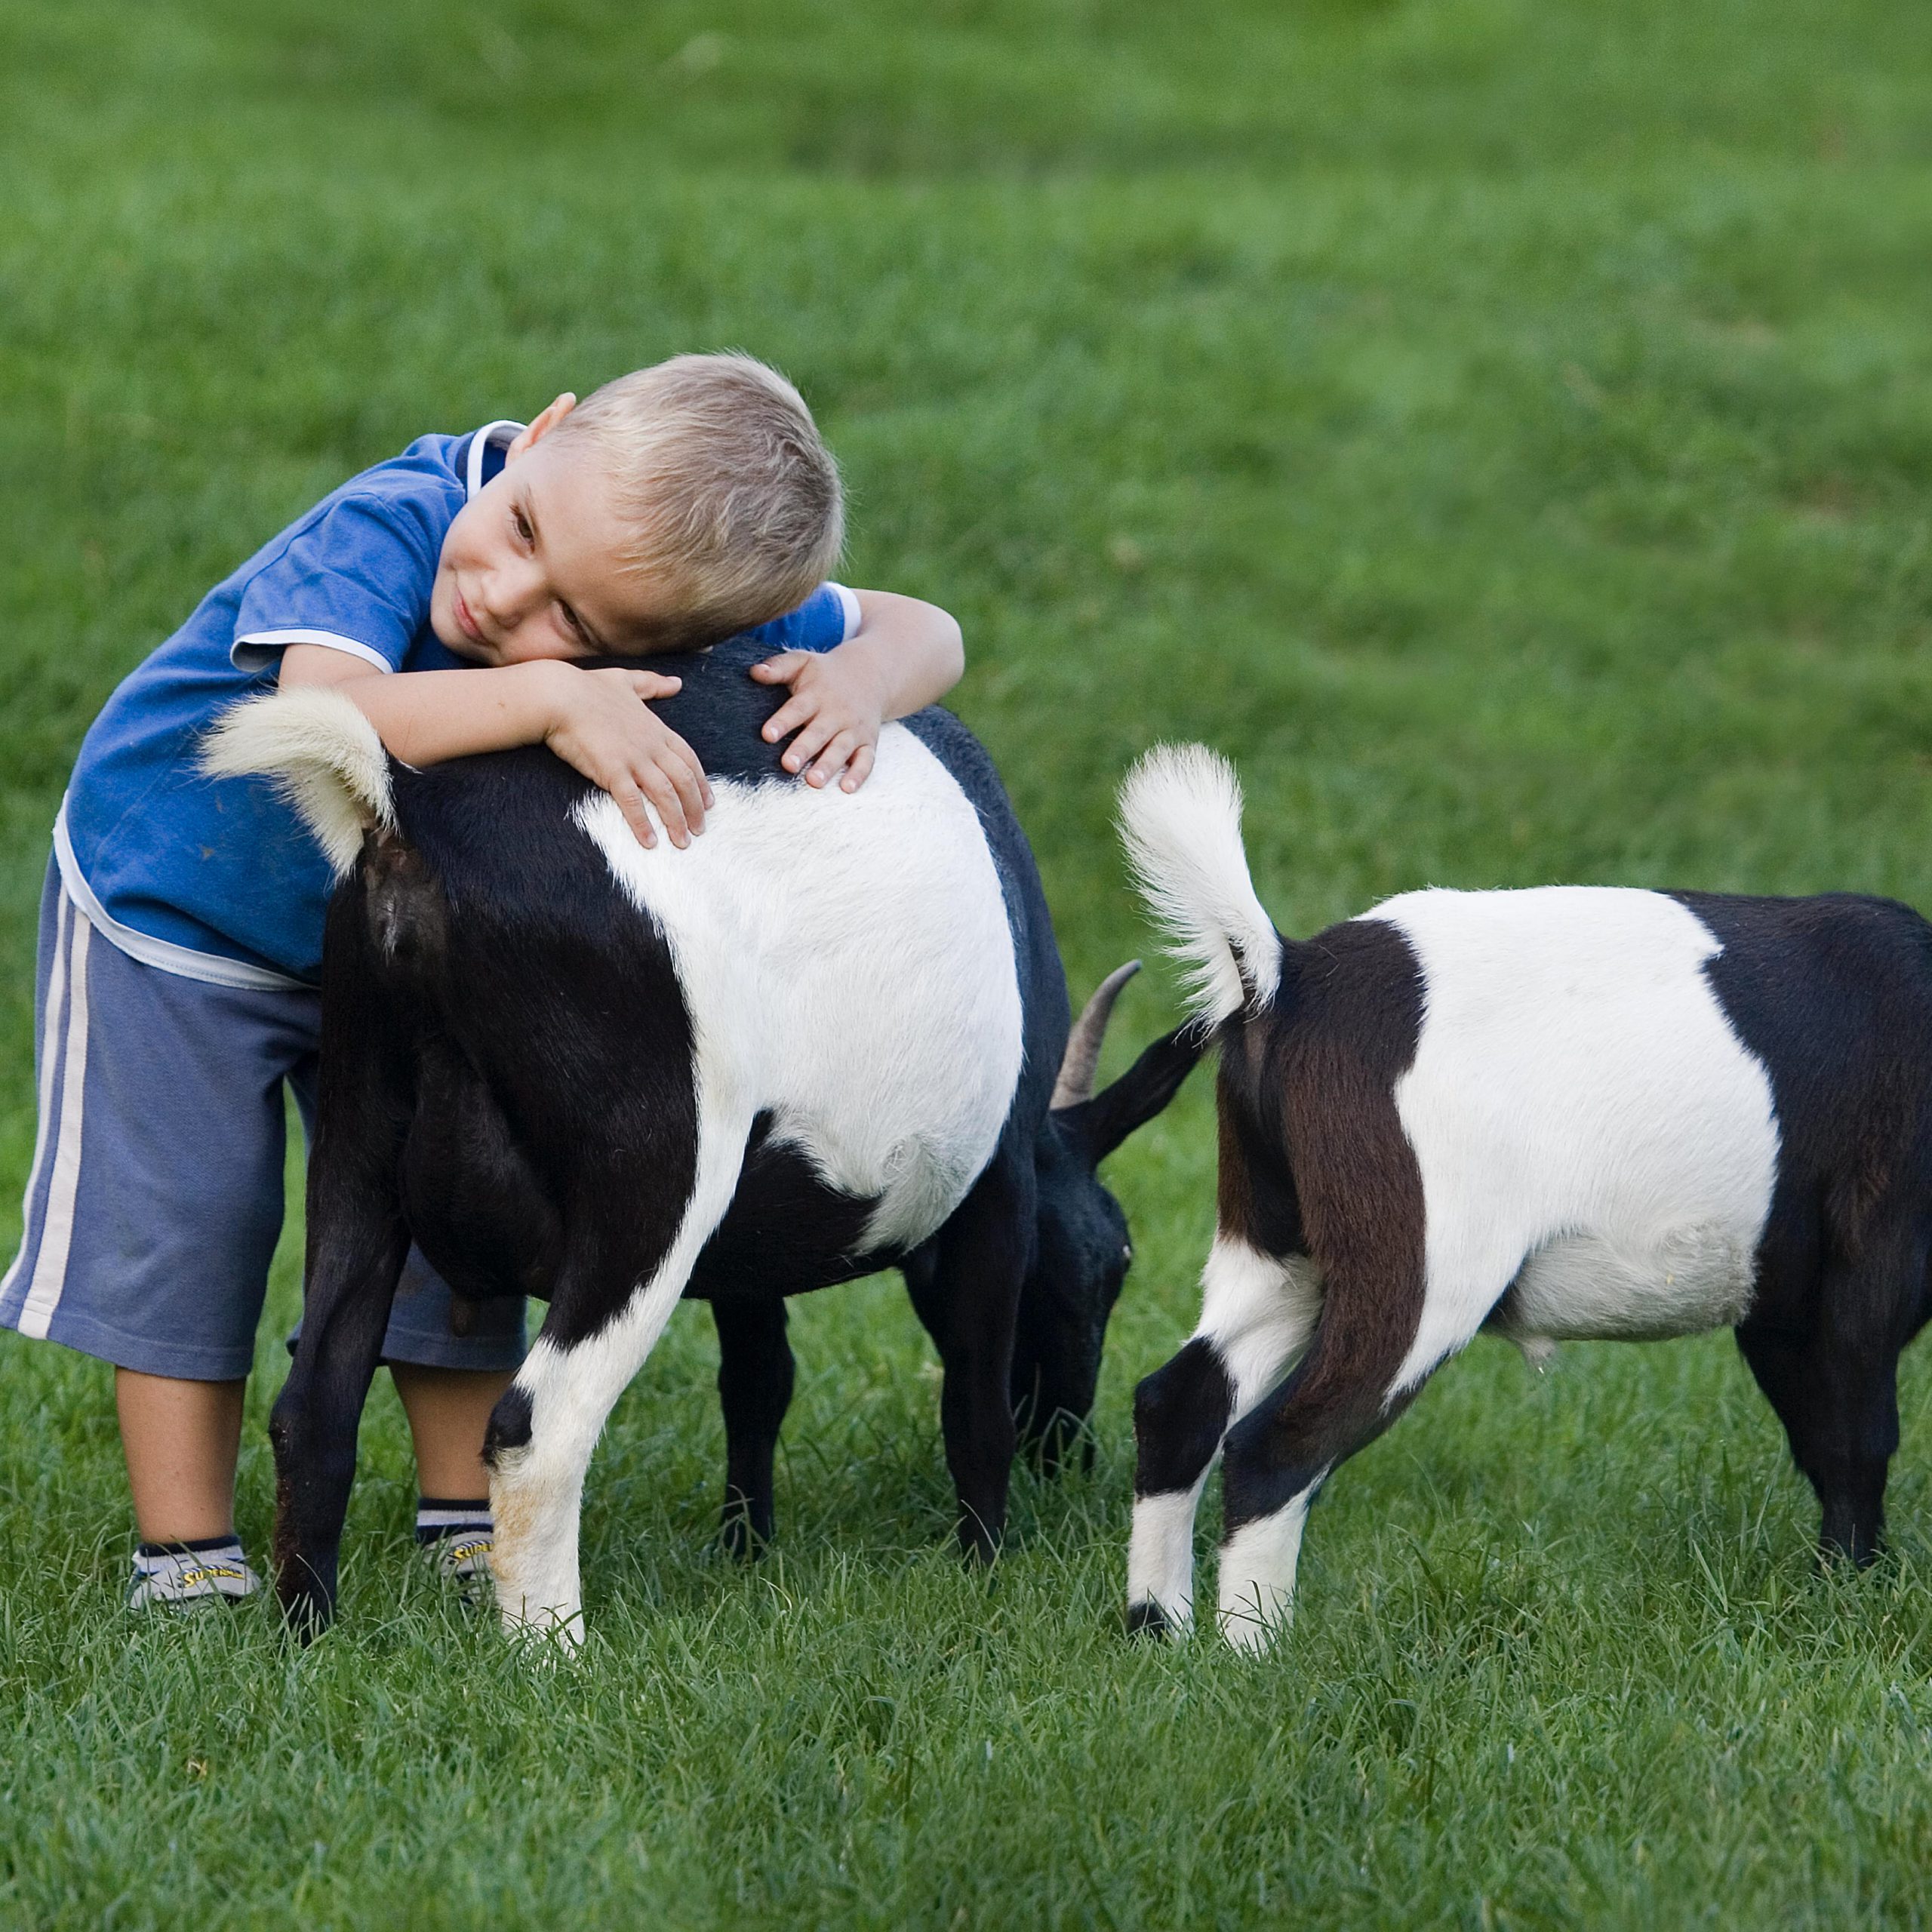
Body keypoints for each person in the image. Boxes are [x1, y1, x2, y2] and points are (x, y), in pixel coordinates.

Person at [0, 352, 963, 1608]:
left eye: (575, 621)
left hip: (408, 947)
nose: (503, 597)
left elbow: (926, 629)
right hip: (184, 906)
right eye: (520, 529)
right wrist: (552, 689)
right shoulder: (397, 516)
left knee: (452, 1203)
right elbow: (328, 709)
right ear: (542, 434)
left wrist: (861, 679)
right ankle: (184, 1556)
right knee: (194, 1219)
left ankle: (463, 1509)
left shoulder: (665, 571)